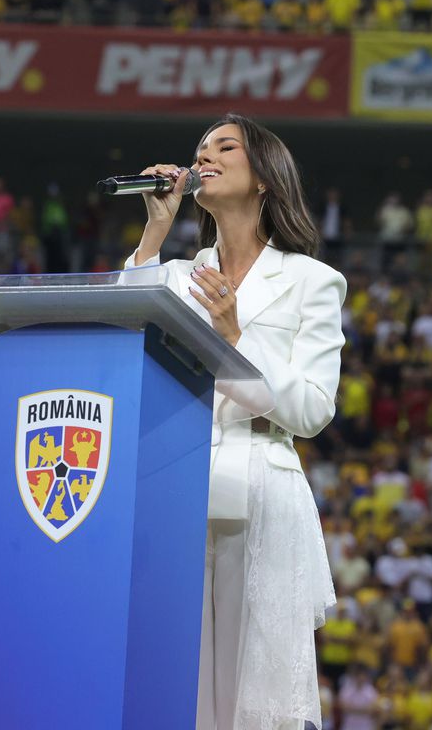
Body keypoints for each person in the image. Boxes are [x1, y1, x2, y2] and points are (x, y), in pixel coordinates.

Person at [125, 113, 345, 729]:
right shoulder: (173, 275)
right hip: (177, 483)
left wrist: (234, 338)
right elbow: (125, 344)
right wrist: (154, 233)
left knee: (259, 692)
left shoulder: (312, 281)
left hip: (263, 484)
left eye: (226, 146)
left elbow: (311, 411)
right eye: (201, 148)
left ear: (265, 180)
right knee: (178, 681)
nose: (206, 155)